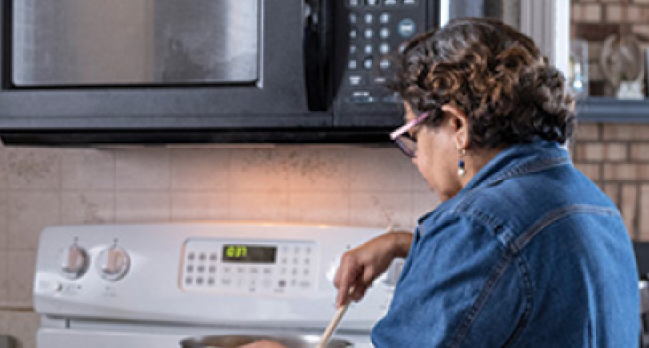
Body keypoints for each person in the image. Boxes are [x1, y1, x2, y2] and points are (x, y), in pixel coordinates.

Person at [249, 18, 639, 348]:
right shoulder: (595, 205)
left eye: (414, 136)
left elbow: (494, 246)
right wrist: (404, 243)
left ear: (457, 126)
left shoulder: (476, 226)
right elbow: (519, 276)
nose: (415, 156)